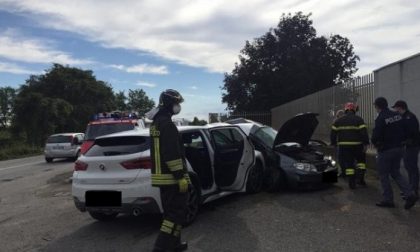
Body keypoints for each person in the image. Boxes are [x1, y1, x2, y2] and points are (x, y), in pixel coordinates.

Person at [147, 89, 191, 252]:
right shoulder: (168, 125)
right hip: (171, 179)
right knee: (175, 216)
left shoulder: (157, 123)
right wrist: (180, 177)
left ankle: (174, 244)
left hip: (162, 178)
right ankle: (161, 247)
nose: (178, 106)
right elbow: (171, 154)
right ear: (169, 104)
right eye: (176, 103)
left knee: (172, 214)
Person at [371, 97, 417, 209]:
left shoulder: (381, 118)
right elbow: (405, 130)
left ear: (378, 106)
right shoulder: (397, 116)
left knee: (383, 175)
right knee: (395, 172)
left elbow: (375, 136)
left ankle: (388, 200)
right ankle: (410, 194)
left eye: (376, 107)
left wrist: (376, 143)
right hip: (399, 149)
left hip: (386, 150)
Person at [331, 103, 369, 189]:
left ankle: (351, 183)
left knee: (349, 164)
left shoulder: (338, 121)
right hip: (358, 146)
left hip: (344, 147)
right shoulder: (359, 119)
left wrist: (333, 144)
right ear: (354, 110)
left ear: (345, 110)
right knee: (361, 163)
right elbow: (364, 133)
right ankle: (361, 180)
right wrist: (366, 144)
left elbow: (333, 133)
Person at [392, 100, 420, 197]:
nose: (395, 110)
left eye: (396, 108)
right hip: (408, 146)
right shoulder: (404, 117)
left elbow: (412, 133)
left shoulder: (409, 117)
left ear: (400, 107)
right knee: (409, 167)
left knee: (412, 168)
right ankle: (411, 189)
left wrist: (405, 141)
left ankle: (413, 190)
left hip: (412, 146)